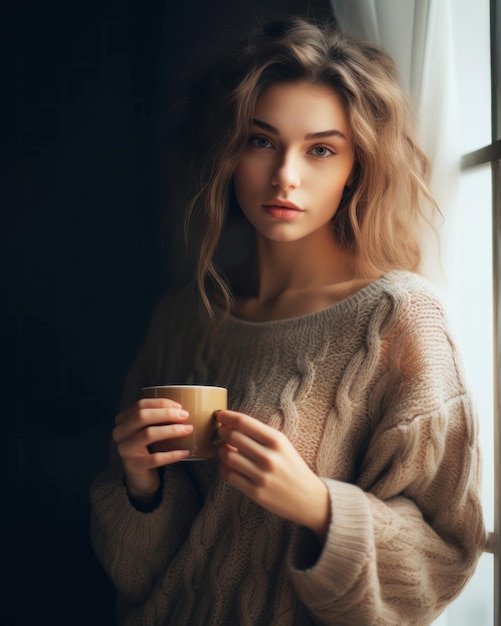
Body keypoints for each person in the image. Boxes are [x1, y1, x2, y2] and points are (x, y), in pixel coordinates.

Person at [90, 16, 486, 626]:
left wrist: (320, 507)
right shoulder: (185, 316)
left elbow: (445, 556)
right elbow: (137, 572)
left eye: (321, 149)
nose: (285, 176)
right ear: (230, 151)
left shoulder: (401, 318)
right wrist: (142, 488)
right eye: (260, 141)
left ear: (357, 165)